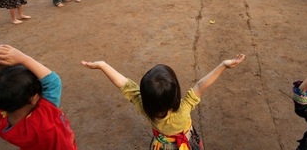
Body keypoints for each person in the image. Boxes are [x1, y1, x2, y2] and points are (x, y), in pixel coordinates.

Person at [81, 54, 246, 149]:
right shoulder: (183, 107)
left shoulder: (144, 107)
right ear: (176, 95)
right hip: (185, 144)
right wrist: (223, 65)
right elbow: (201, 84)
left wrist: (103, 66)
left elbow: (124, 84)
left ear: (144, 97)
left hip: (161, 146)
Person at [0, 45, 77, 150]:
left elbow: (4, 91)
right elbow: (53, 83)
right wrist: (23, 59)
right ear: (33, 99)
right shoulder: (43, 119)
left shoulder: (0, 122)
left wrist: (2, 70)